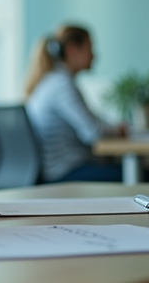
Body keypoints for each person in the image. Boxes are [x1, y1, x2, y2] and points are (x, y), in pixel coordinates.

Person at [23, 25, 126, 183]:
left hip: (57, 169)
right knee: (147, 177)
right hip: (64, 173)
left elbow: (92, 122)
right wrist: (118, 131)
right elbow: (93, 132)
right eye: (90, 48)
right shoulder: (62, 85)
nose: (94, 56)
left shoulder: (51, 81)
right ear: (72, 49)